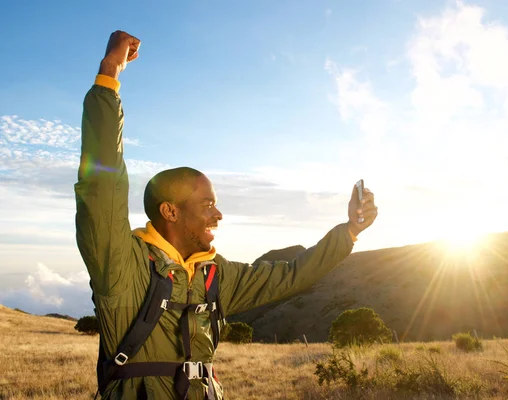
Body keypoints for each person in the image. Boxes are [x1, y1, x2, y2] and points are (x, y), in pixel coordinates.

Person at [75, 30, 378, 400]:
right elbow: (101, 189)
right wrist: (109, 76)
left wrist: (349, 232)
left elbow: (292, 275)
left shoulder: (218, 276)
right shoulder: (121, 264)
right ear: (169, 211)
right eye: (207, 205)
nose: (218, 214)